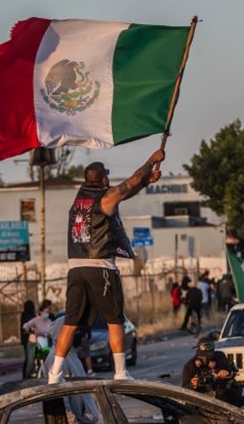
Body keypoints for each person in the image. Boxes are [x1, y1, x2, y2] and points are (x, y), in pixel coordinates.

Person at [48, 150, 165, 384]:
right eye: (107, 178)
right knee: (115, 320)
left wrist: (145, 182)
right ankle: (121, 373)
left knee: (70, 322)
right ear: (103, 179)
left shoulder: (80, 201)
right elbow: (127, 184)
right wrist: (151, 161)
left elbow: (122, 194)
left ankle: (54, 374)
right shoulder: (105, 197)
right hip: (100, 267)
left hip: (76, 269)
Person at [44, 316, 100, 423]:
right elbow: (62, 400)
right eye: (75, 331)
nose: (78, 334)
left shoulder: (72, 355)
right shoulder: (56, 360)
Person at [181, 337, 244, 406]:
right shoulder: (190, 366)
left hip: (222, 398)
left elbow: (234, 369)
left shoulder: (220, 357)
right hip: (200, 402)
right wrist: (192, 384)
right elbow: (184, 389)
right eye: (202, 357)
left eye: (208, 357)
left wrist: (226, 372)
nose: (206, 360)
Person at [19, 300, 36, 380]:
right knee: (30, 358)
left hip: (26, 340)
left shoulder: (24, 315)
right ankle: (27, 375)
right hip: (30, 339)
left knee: (28, 358)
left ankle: (26, 375)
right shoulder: (30, 316)